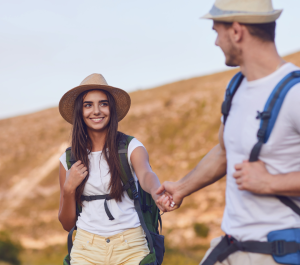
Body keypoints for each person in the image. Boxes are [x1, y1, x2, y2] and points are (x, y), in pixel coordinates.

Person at [156, 0, 300, 264]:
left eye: (216, 31)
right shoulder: (236, 87)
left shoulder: (295, 93)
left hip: (278, 253)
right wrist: (181, 188)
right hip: (232, 246)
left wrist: (270, 183)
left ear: (236, 31)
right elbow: (225, 152)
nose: (215, 42)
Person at [58, 73, 172, 265]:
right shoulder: (68, 160)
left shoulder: (130, 147)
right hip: (86, 250)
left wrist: (156, 191)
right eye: (88, 105)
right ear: (80, 111)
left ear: (111, 109)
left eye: (103, 103)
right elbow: (67, 224)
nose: (96, 111)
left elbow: (146, 174)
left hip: (131, 248)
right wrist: (69, 190)